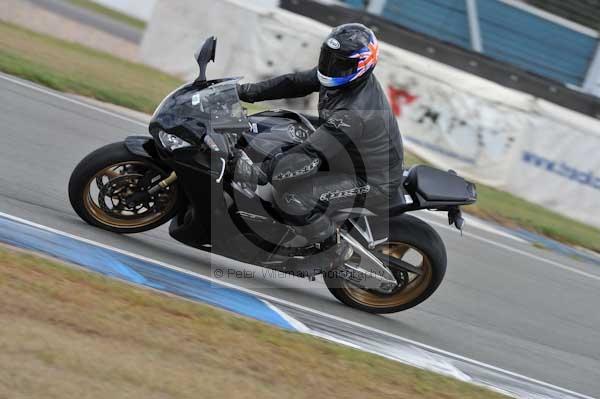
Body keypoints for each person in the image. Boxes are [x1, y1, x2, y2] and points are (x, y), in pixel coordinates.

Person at [233, 23, 404, 270]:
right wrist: (242, 92)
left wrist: (259, 170)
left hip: (373, 179)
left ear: (362, 65)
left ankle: (332, 251)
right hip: (346, 153)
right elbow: (292, 82)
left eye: (340, 63)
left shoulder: (355, 112)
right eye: (329, 58)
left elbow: (311, 153)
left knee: (292, 197)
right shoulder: (340, 77)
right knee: (278, 128)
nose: (332, 66)